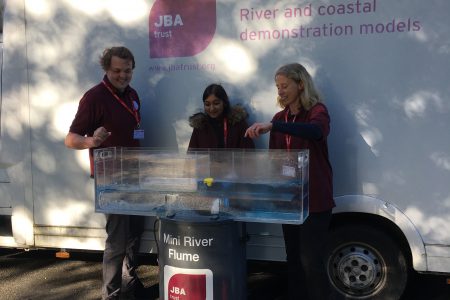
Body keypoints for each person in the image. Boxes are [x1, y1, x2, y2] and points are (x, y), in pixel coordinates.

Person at [245, 63, 339, 300]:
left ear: (301, 84)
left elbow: (316, 132)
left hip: (315, 202)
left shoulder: (317, 111)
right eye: (278, 87)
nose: (280, 91)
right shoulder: (279, 117)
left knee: (311, 262)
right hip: (290, 202)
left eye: (284, 86)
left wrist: (275, 126)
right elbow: (275, 162)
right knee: (294, 260)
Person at [64, 46, 146, 300]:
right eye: (117, 71)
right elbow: (70, 139)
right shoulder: (94, 97)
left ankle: (130, 283)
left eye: (127, 70)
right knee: (117, 238)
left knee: (134, 232)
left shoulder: (132, 94)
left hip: (134, 174)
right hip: (111, 178)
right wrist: (91, 142)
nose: (122, 75)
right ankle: (110, 294)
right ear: (106, 69)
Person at [188, 83, 254, 150]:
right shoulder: (200, 126)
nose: (212, 108)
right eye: (207, 104)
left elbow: (249, 155)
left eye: (216, 103)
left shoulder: (238, 124)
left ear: (224, 103)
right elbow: (191, 156)